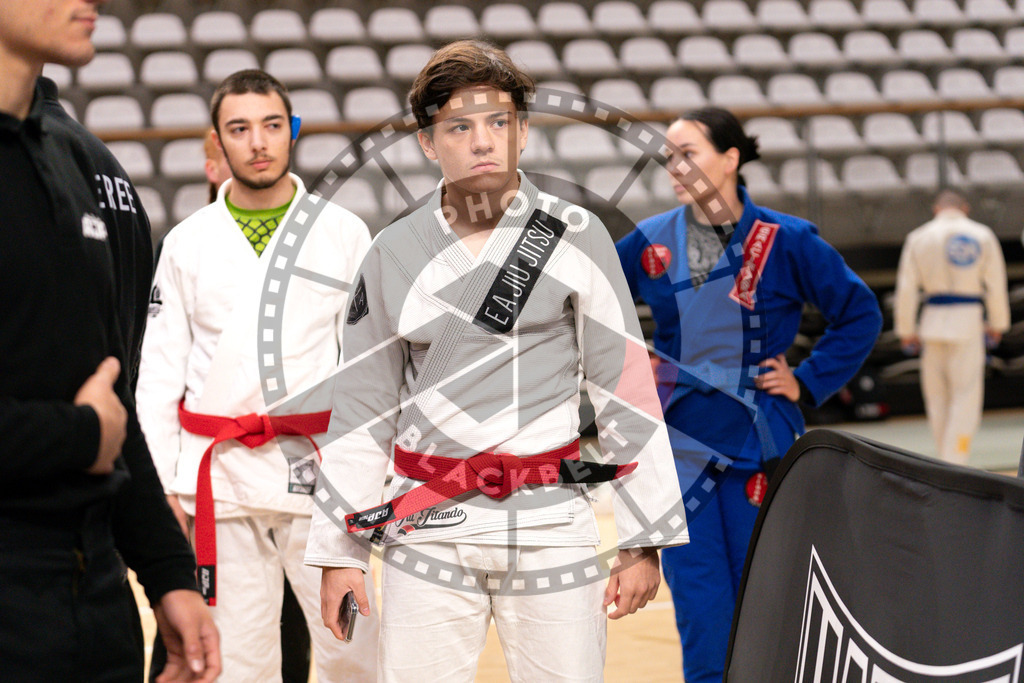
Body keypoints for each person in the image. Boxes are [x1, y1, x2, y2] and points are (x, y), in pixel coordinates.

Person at [305, 39, 689, 683]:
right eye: (460, 126)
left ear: (523, 133)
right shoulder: (392, 251)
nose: (483, 141)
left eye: (498, 123)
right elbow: (362, 410)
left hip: (550, 516)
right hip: (427, 518)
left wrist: (642, 539)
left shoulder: (576, 234)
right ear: (430, 142)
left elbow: (625, 389)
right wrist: (338, 551)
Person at [616, 107, 882, 683]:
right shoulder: (649, 241)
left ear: (731, 158)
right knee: (702, 605)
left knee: (769, 595)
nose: (674, 166)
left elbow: (859, 312)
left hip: (761, 438)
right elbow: (591, 303)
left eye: (689, 152)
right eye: (668, 156)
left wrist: (807, 379)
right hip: (682, 447)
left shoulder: (787, 239)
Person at [0, 1, 220, 681]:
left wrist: (166, 574)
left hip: (94, 596)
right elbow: (96, 423)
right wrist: (76, 433)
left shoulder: (73, 159)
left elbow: (110, 396)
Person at [136, 69, 379, 682]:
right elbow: (160, 371)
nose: (258, 143)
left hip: (321, 471)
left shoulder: (344, 233)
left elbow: (368, 366)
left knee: (355, 649)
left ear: (291, 132)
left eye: (272, 126)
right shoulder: (186, 242)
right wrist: (164, 482)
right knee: (237, 660)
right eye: (239, 129)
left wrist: (370, 471)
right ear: (217, 143)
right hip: (220, 477)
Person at [894, 190, 1010, 464]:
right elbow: (995, 284)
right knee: (965, 396)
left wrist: (906, 329)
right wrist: (998, 323)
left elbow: (907, 289)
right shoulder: (982, 234)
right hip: (968, 321)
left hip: (932, 321)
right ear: (965, 208)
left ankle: (944, 461)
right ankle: (956, 459)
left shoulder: (919, 237)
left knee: (937, 399)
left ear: (936, 209)